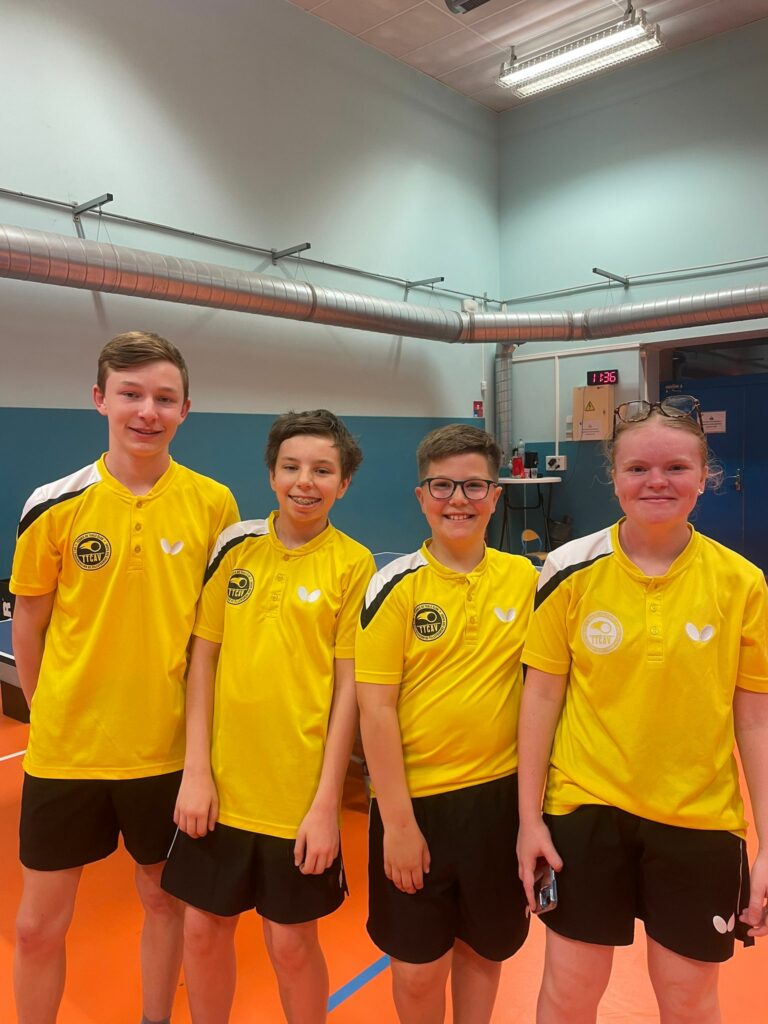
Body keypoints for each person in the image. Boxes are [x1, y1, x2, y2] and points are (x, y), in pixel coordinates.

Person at [10, 331, 240, 1024]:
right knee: (34, 928)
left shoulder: (214, 506)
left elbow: (213, 638)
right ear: (99, 399)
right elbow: (29, 622)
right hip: (66, 753)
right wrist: (47, 712)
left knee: (163, 903)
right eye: (131, 394)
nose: (147, 411)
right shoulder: (53, 504)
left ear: (185, 410)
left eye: (164, 398)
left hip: (165, 753)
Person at [517, 395, 768, 1024]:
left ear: (705, 476)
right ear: (614, 476)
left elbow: (755, 719)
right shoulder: (567, 569)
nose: (657, 481)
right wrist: (529, 820)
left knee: (688, 999)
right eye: (638, 468)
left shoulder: (742, 582)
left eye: (676, 467)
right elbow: (541, 697)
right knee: (568, 992)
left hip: (699, 819)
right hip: (584, 809)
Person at [161, 408, 375, 1024]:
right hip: (220, 790)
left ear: (344, 483)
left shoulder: (354, 564)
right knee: (202, 930)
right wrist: (195, 773)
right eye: (291, 467)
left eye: (322, 470)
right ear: (271, 473)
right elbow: (203, 661)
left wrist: (326, 805)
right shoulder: (235, 546)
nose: (305, 481)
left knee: (290, 944)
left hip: (296, 798)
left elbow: (348, 692)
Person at [355, 423, 538, 1024]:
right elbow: (375, 709)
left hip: (498, 804)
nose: (458, 499)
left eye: (474, 485)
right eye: (442, 486)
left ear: (496, 495)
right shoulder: (394, 586)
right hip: (416, 804)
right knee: (416, 970)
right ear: (421, 497)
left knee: (483, 950)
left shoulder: (527, 581)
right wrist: (398, 824)